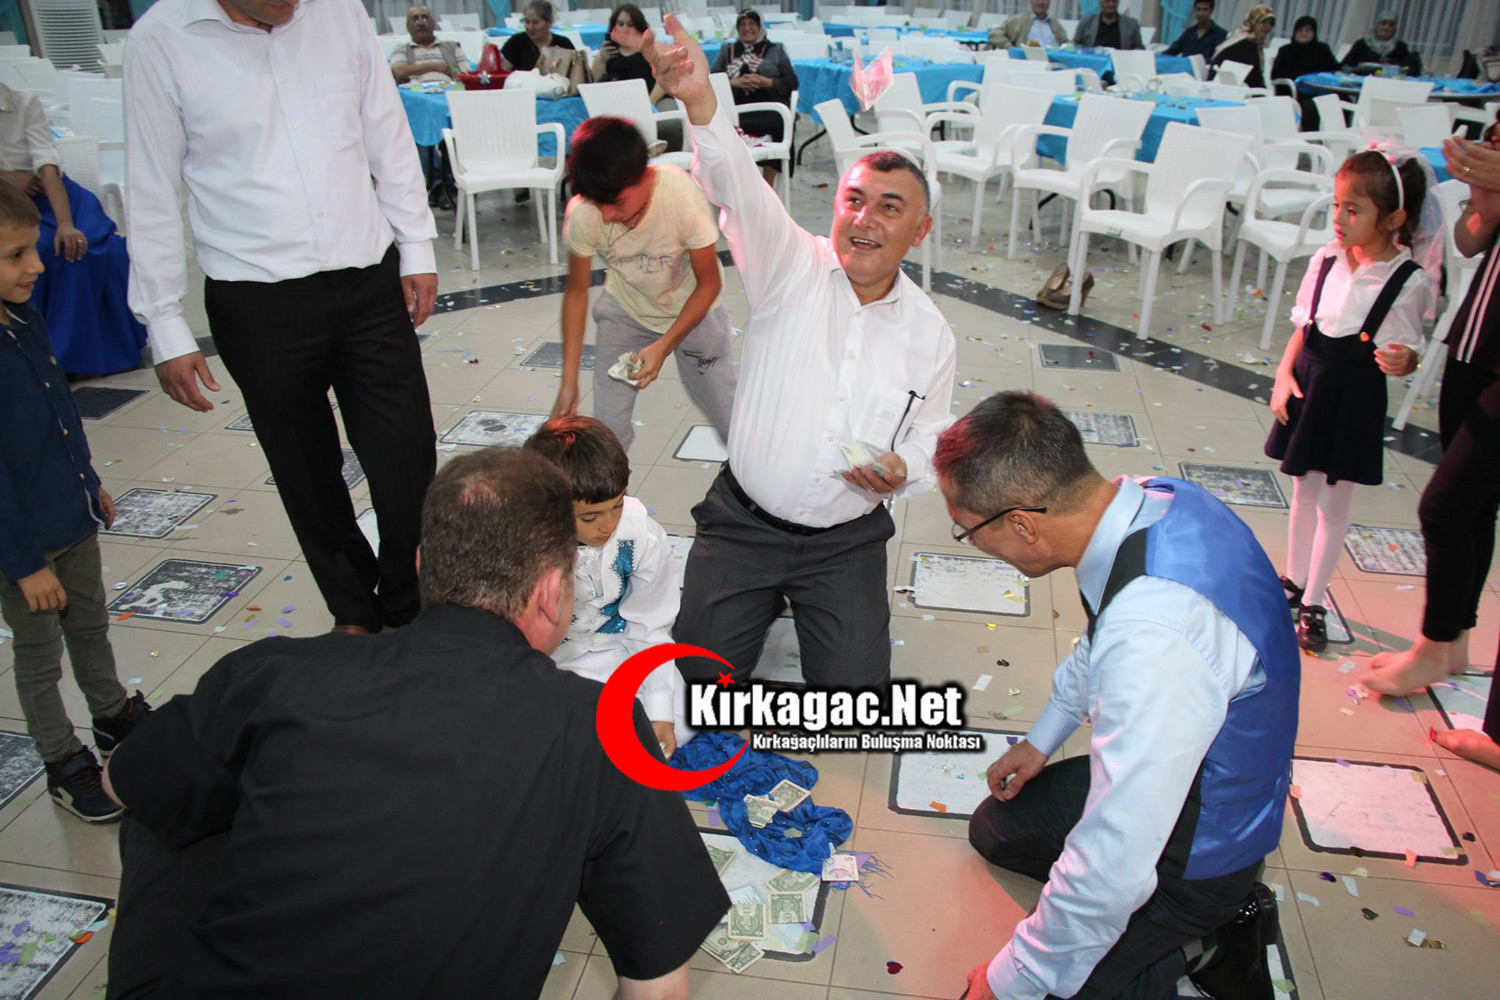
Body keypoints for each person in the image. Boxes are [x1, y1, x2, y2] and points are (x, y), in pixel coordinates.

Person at [102, 447, 730, 999]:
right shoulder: (599, 727)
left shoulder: (272, 673)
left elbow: (118, 782)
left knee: (169, 783)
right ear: (550, 592)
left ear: (424, 562)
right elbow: (660, 987)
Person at [634, 16, 955, 687]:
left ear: (920, 230)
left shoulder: (931, 333)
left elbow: (933, 433)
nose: (864, 220)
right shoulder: (789, 265)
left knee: (856, 698)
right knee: (697, 682)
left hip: (846, 543)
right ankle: (751, 601)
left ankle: (809, 609)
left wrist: (906, 467)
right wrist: (701, 102)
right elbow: (738, 184)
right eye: (853, 200)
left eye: (889, 208)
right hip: (743, 523)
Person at [943, 392, 1295, 1000]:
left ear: (1022, 524)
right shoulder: (1156, 503)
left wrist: (1011, 980)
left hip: (1204, 843)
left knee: (1056, 984)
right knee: (998, 829)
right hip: (1190, 768)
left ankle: (1208, 939)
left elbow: (1117, 852)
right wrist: (1042, 738)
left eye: (969, 529)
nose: (973, 544)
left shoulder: (1154, 636)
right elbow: (1101, 634)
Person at [125, 0, 441, 637]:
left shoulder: (338, 12)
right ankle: (354, 610)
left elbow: (385, 130)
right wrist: (164, 322)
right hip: (255, 295)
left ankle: (410, 604)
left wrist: (417, 245)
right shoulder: (160, 39)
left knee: (406, 454)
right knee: (305, 468)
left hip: (366, 274)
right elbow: (150, 187)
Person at [0, 182, 152, 825]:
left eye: (31, 249)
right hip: (22, 548)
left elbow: (61, 414)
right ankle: (62, 760)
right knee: (39, 656)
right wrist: (24, 563)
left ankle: (112, 714)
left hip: (72, 517)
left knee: (90, 625)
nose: (36, 265)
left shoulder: (24, 321)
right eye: (15, 255)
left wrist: (88, 481)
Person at [1361, 121, 1500, 772]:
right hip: (1478, 339)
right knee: (1473, 507)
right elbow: (1472, 239)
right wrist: (1483, 194)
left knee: (1442, 507)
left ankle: (1435, 644)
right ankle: (1454, 641)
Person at [1266, 151, 1429, 652]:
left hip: (1354, 396)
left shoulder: (1408, 279)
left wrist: (1405, 360)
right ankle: (1294, 580)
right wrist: (1283, 375)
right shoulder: (1326, 259)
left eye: (1353, 209)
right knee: (1302, 489)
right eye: (1337, 205)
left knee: (1334, 503)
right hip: (1311, 383)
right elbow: (1304, 325)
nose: (1338, 218)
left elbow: (1409, 347)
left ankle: (1315, 599)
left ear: (1393, 219)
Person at [550, 116, 736, 453]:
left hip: (696, 310)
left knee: (729, 415)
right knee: (608, 430)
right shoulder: (584, 213)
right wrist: (569, 382)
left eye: (618, 202)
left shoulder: (679, 195)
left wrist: (663, 346)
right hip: (627, 311)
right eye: (598, 203)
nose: (607, 215)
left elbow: (708, 284)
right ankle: (610, 487)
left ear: (647, 176)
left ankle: (753, 478)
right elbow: (576, 294)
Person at [523, 416, 693, 754]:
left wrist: (659, 710)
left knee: (682, 718)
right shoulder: (522, 543)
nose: (609, 526)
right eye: (589, 518)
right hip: (550, 659)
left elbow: (650, 625)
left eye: (617, 506)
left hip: (617, 649)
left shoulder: (641, 534)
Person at [0, 82, 145, 375]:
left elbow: (47, 165)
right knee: (40, 249)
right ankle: (49, 353)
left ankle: (101, 350)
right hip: (9, 203)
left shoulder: (24, 101)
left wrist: (65, 223)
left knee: (97, 248)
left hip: (52, 195)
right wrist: (7, 177)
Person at [709, 9, 799, 180]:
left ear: (759, 27)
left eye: (752, 24)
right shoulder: (728, 50)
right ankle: (740, 183)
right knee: (722, 127)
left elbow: (791, 82)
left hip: (770, 107)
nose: (747, 29)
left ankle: (768, 185)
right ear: (737, 28)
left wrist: (768, 82)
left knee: (779, 124)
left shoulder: (775, 50)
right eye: (742, 25)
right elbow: (713, 79)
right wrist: (733, 82)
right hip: (737, 108)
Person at [1272, 15, 1340, 123]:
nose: (1303, 34)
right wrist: (1301, 79)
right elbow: (1275, 74)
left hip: (1321, 90)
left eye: (1308, 30)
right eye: (1300, 30)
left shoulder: (1322, 49)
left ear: (1314, 33)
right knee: (1310, 105)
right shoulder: (1285, 51)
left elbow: (1335, 69)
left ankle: (1339, 132)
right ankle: (1311, 133)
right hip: (1296, 91)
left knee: (1342, 99)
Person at [389, 5, 467, 84]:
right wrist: (433, 67)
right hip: (415, 90)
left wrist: (451, 72)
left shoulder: (453, 47)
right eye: (415, 19)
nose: (421, 23)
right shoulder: (401, 49)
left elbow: (467, 74)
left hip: (449, 89)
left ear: (433, 24)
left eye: (425, 18)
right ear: (408, 27)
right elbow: (398, 71)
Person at [1210, 3, 1275, 90]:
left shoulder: (1242, 37)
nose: (1267, 26)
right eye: (1263, 22)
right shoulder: (1247, 44)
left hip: (1226, 86)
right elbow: (1252, 79)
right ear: (1253, 22)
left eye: (1271, 23)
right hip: (1223, 88)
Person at [501, 0, 575, 72]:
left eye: (535, 22)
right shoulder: (516, 42)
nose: (530, 27)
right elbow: (502, 70)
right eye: (527, 22)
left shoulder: (564, 44)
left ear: (549, 22)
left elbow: (575, 73)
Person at [1341, 12, 1422, 77]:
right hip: (1362, 80)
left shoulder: (1401, 46)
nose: (1386, 28)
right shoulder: (1361, 44)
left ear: (1394, 29)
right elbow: (1346, 64)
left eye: (1391, 25)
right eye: (1383, 24)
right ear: (1377, 25)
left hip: (1390, 83)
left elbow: (1405, 68)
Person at [988, 0, 1066, 50]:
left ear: (1049, 2)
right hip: (1027, 62)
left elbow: (1065, 43)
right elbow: (995, 34)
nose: (1041, 2)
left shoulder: (1054, 24)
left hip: (1054, 63)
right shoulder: (1019, 20)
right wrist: (1009, 47)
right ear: (1031, 1)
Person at [1163, 0, 1227, 60]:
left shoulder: (1220, 34)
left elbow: (1217, 59)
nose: (1200, 13)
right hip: (1186, 67)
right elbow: (1171, 51)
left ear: (1211, 11)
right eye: (1198, 9)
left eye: (1205, 10)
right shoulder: (1188, 33)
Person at [1072, 0, 1143, 50]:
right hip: (1092, 63)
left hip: (1121, 64)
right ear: (1100, 2)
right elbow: (1076, 44)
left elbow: (1139, 47)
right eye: (1107, 1)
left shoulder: (1132, 25)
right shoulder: (1086, 22)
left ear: (1118, 2)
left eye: (1114, 1)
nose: (1111, 4)